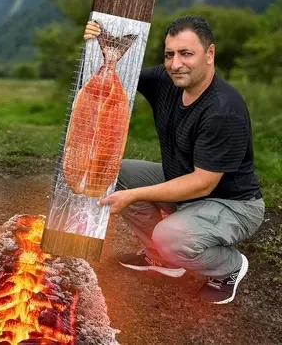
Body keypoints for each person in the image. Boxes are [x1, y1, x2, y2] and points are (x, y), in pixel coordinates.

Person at [85, 16, 265, 305]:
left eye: (186, 53)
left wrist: (133, 196)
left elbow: (201, 184)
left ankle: (229, 266)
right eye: (170, 54)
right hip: (184, 182)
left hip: (232, 203)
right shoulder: (166, 80)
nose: (175, 63)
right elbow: (112, 71)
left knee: (170, 237)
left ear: (210, 54)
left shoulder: (223, 110)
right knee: (115, 174)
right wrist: (95, 45)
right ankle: (163, 259)